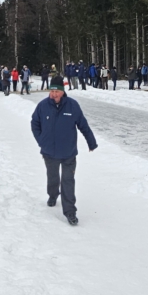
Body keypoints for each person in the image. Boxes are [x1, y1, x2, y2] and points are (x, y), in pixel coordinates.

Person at [31, 76, 98, 226]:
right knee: (53, 177)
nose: (54, 94)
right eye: (52, 91)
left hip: (68, 152)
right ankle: (53, 195)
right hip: (49, 152)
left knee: (68, 181)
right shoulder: (42, 106)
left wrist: (91, 142)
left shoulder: (72, 106)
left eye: (57, 91)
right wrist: (41, 140)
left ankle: (70, 212)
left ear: (63, 91)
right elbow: (35, 123)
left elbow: (83, 125)